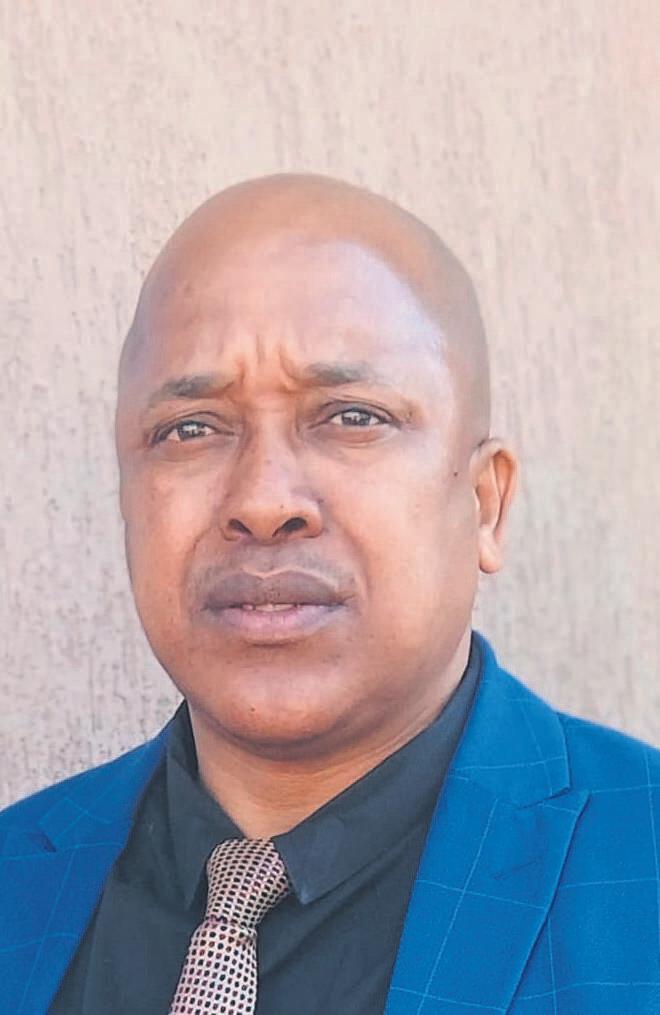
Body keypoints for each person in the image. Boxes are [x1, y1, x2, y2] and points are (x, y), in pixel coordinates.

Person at [1, 174, 658, 1015]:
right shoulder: (16, 878)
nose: (263, 499)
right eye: (190, 428)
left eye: (351, 416)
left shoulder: (640, 869)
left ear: (485, 503)